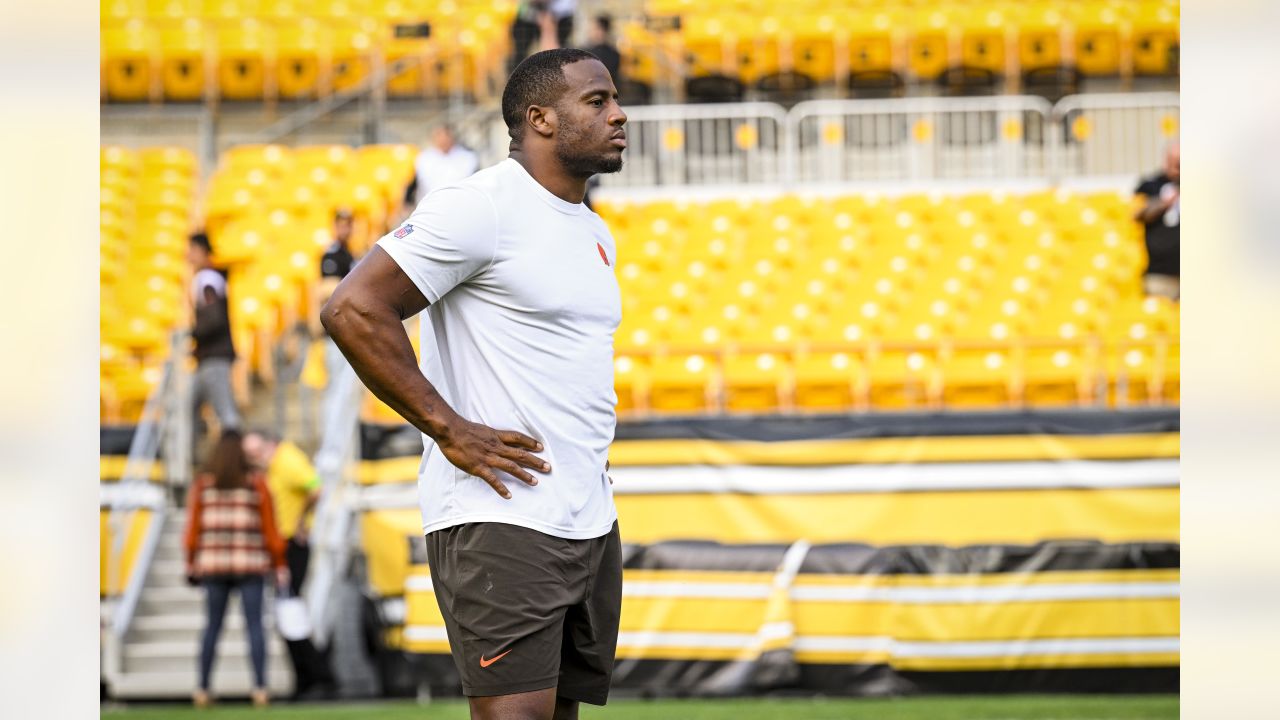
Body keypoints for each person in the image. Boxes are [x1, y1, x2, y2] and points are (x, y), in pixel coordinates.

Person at [321, 48, 627, 720]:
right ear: (540, 118)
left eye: (614, 100)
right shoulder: (480, 206)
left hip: (586, 519)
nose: (619, 114)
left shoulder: (596, 232)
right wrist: (449, 428)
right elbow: (352, 308)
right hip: (502, 518)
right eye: (598, 101)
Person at [184, 430, 287, 708]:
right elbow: (270, 529)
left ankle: (203, 689)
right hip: (250, 565)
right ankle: (260, 688)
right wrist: (279, 563)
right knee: (255, 626)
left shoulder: (204, 484)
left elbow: (193, 529)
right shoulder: (256, 483)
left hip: (213, 566)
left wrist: (191, 560)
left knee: (212, 627)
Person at [242, 429, 338, 700]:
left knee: (291, 613)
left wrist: (300, 522)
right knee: (288, 614)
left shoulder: (287, 460)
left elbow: (315, 488)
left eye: (257, 453)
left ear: (270, 445)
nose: (256, 460)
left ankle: (317, 677)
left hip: (291, 547)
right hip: (282, 547)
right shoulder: (275, 464)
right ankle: (307, 678)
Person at [188, 233, 242, 442]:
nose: (189, 255)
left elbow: (214, 318)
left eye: (193, 250)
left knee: (226, 413)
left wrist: (193, 334)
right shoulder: (208, 278)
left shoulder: (207, 279)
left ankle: (234, 458)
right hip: (207, 358)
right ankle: (190, 458)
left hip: (215, 357)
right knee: (188, 407)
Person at [316, 209, 360, 424]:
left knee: (346, 396)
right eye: (341, 224)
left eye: (348, 224)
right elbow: (327, 291)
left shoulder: (348, 253)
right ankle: (330, 456)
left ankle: (340, 454)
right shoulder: (331, 254)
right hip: (336, 333)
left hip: (348, 332)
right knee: (337, 395)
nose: (345, 228)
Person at [1134, 140, 1180, 301]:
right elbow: (1137, 213)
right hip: (1161, 274)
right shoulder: (1151, 185)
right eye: (1174, 159)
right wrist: (1164, 203)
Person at [404, 125, 479, 209]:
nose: (443, 140)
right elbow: (414, 182)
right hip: (430, 206)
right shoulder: (424, 158)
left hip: (460, 206)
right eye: (439, 135)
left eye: (446, 135)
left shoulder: (468, 158)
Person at [509, 0, 577, 73]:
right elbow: (521, 9)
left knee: (556, 49)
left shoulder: (562, 10)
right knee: (520, 53)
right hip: (529, 15)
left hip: (558, 16)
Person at [583, 14, 621, 87]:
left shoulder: (587, 52)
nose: (590, 31)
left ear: (601, 30)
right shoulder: (614, 54)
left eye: (593, 28)